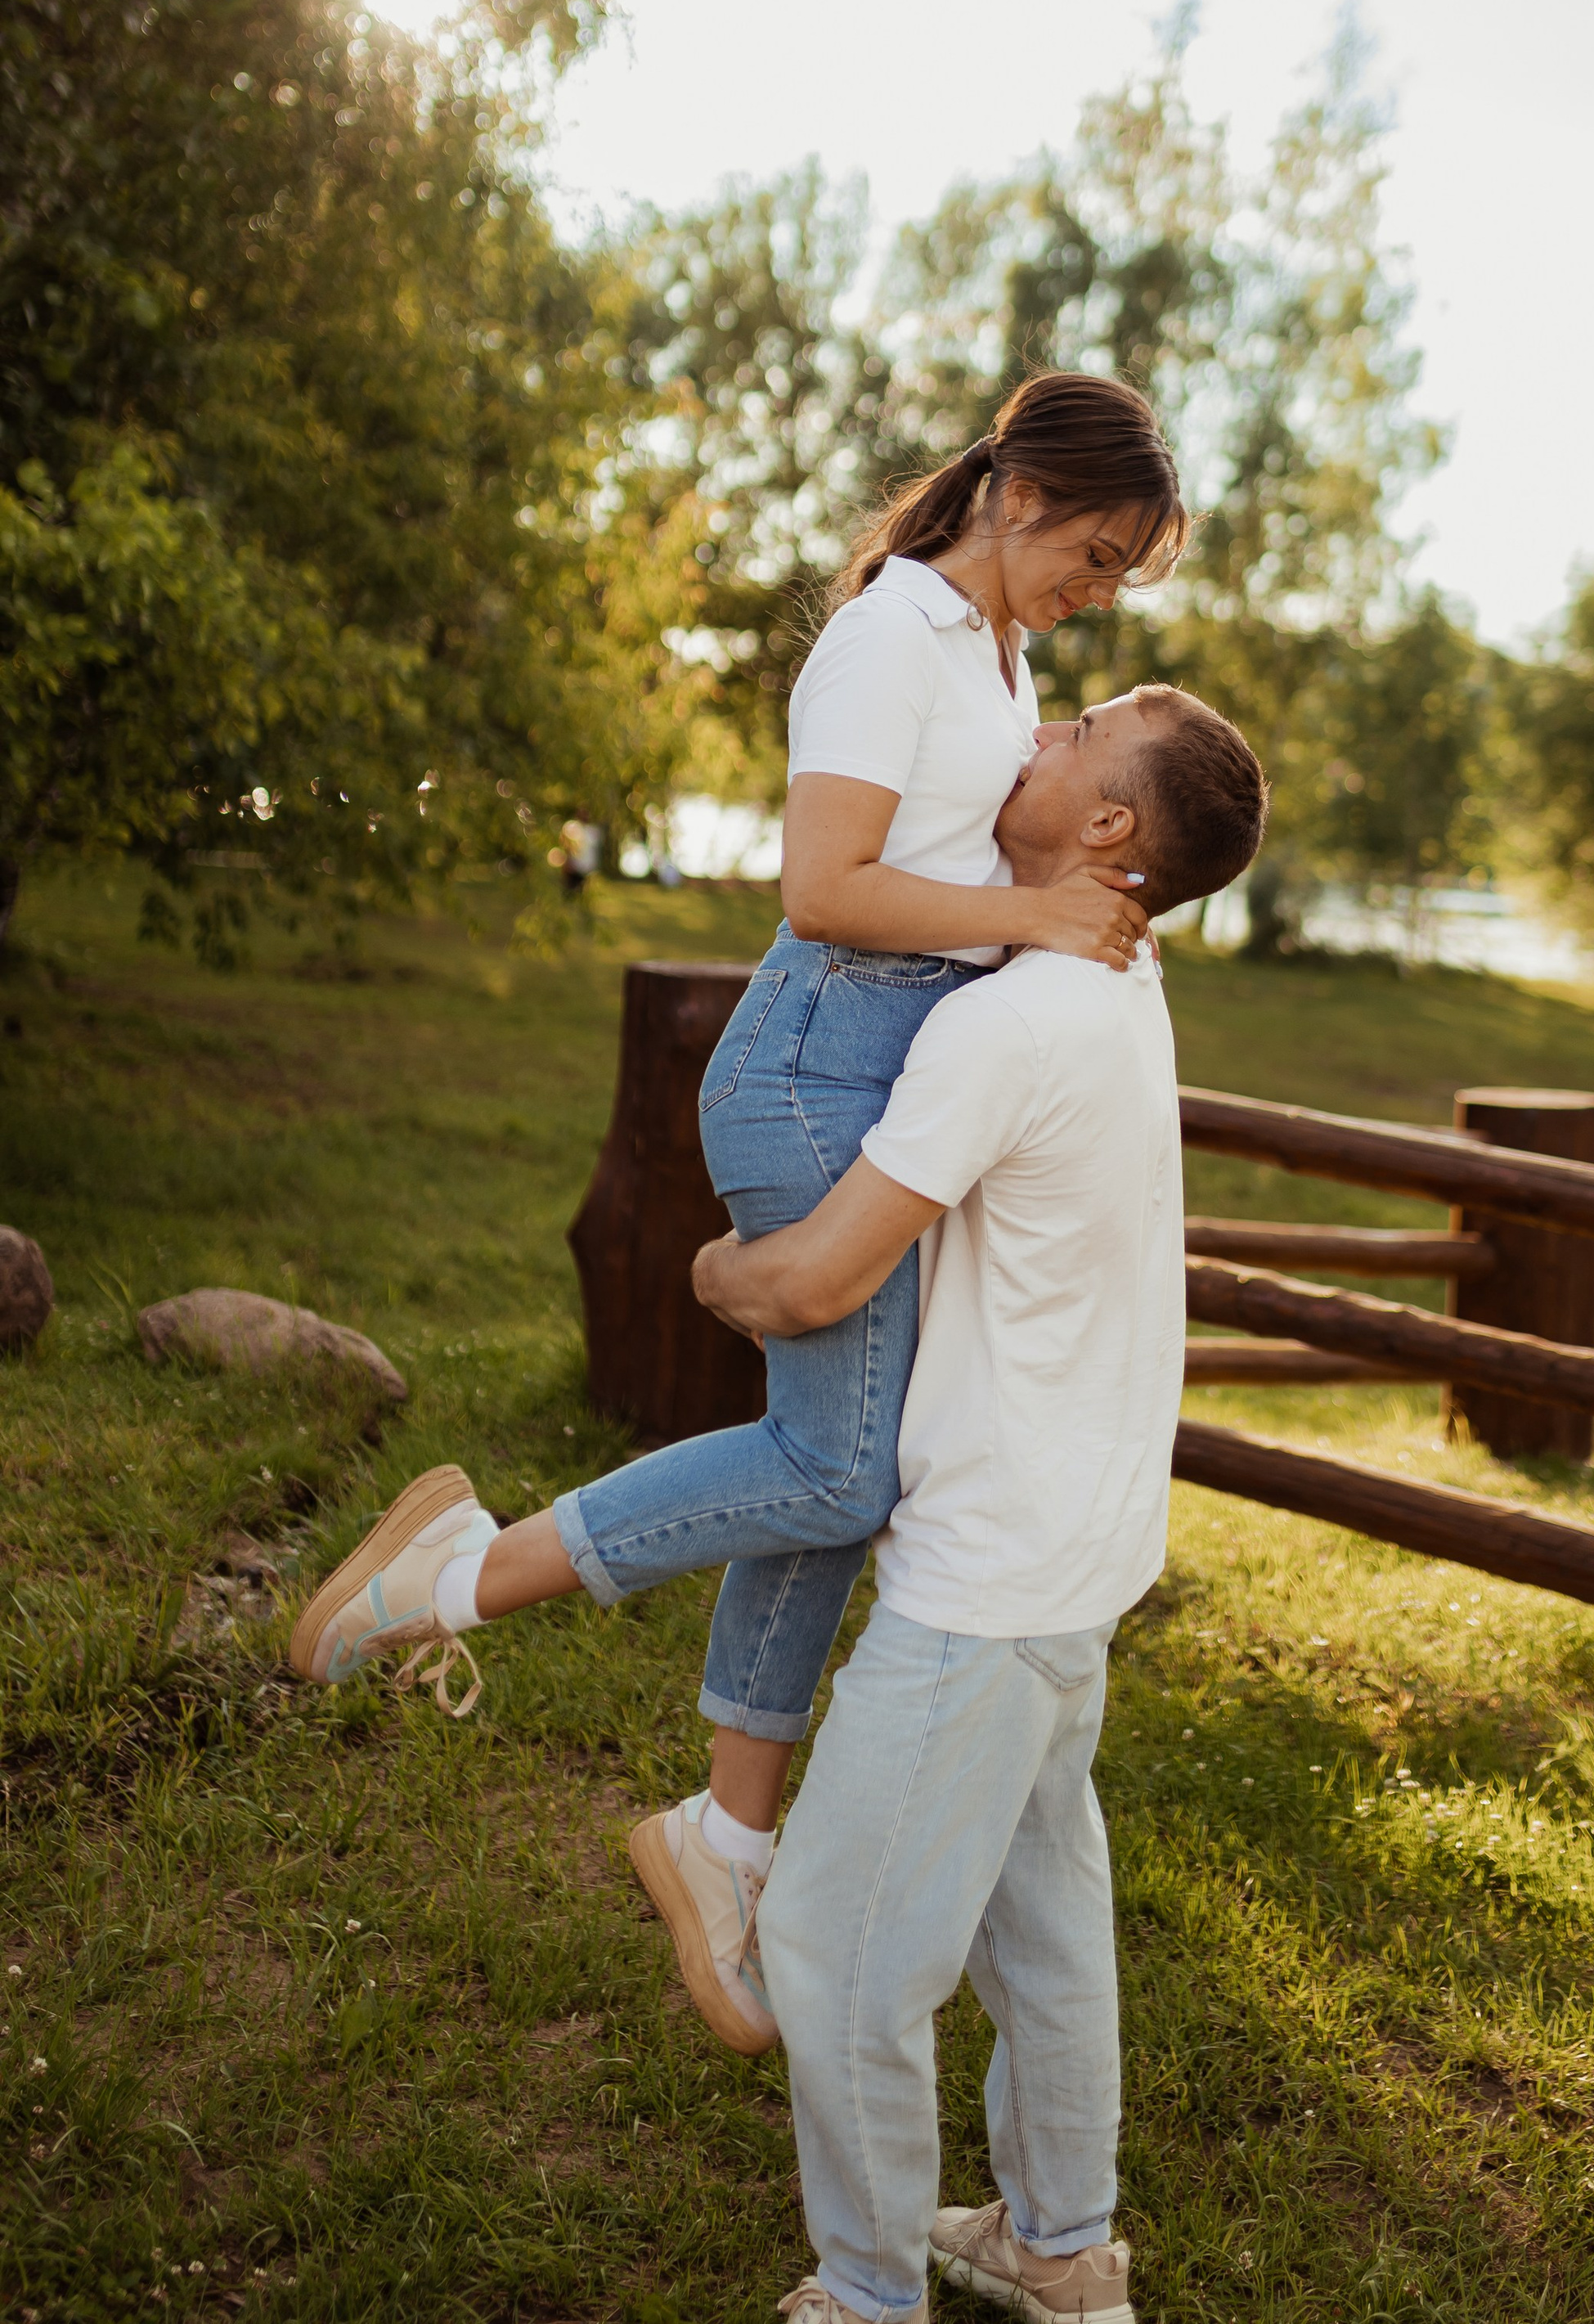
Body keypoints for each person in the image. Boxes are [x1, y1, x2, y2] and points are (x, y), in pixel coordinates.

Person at [287, 374, 1186, 2039]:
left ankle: (725, 1838)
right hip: (812, 1060)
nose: (1103, 586)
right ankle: (450, 1578)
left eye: (1127, 570)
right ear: (1022, 488)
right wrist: (1035, 919)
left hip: (894, 1070)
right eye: (1102, 549)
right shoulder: (889, 636)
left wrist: (1045, 918)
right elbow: (823, 887)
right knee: (838, 1462)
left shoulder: (998, 656)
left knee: (837, 1478)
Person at [689, 681, 1268, 2324]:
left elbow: (813, 1280)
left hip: (991, 1567)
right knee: (1040, 1911)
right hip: (1080, 1542)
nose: (1035, 728)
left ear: (1104, 829)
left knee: (834, 1939)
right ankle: (1060, 2242)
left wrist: (713, 1266)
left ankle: (868, 2294)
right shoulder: (1111, 972)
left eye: (1077, 726)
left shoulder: (1010, 1018)